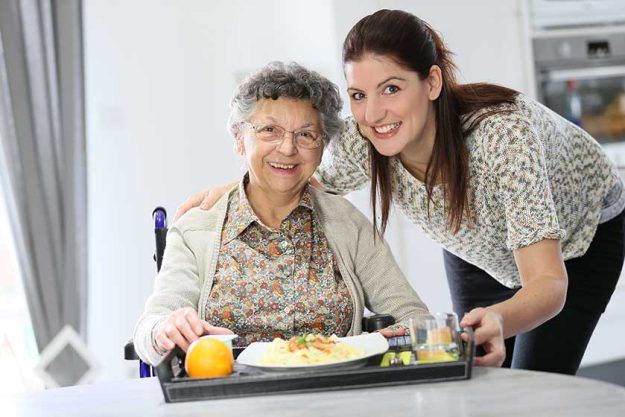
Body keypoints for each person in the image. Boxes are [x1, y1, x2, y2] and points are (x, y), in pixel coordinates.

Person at [175, 10, 624, 375]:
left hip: (578, 240)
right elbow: (297, 177)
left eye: (391, 88)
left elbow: (547, 283)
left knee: (532, 386)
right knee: (475, 372)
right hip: (475, 245)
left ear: (431, 82)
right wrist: (230, 191)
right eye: (358, 94)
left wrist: (503, 317)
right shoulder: (362, 140)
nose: (374, 114)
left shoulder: (502, 136)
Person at [134, 62, 496, 367]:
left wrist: (389, 341)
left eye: (307, 134)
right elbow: (149, 332)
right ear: (240, 139)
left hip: (339, 398)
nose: (288, 148)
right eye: (270, 130)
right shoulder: (198, 227)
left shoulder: (347, 224)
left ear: (323, 147)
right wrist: (165, 329)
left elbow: (414, 318)